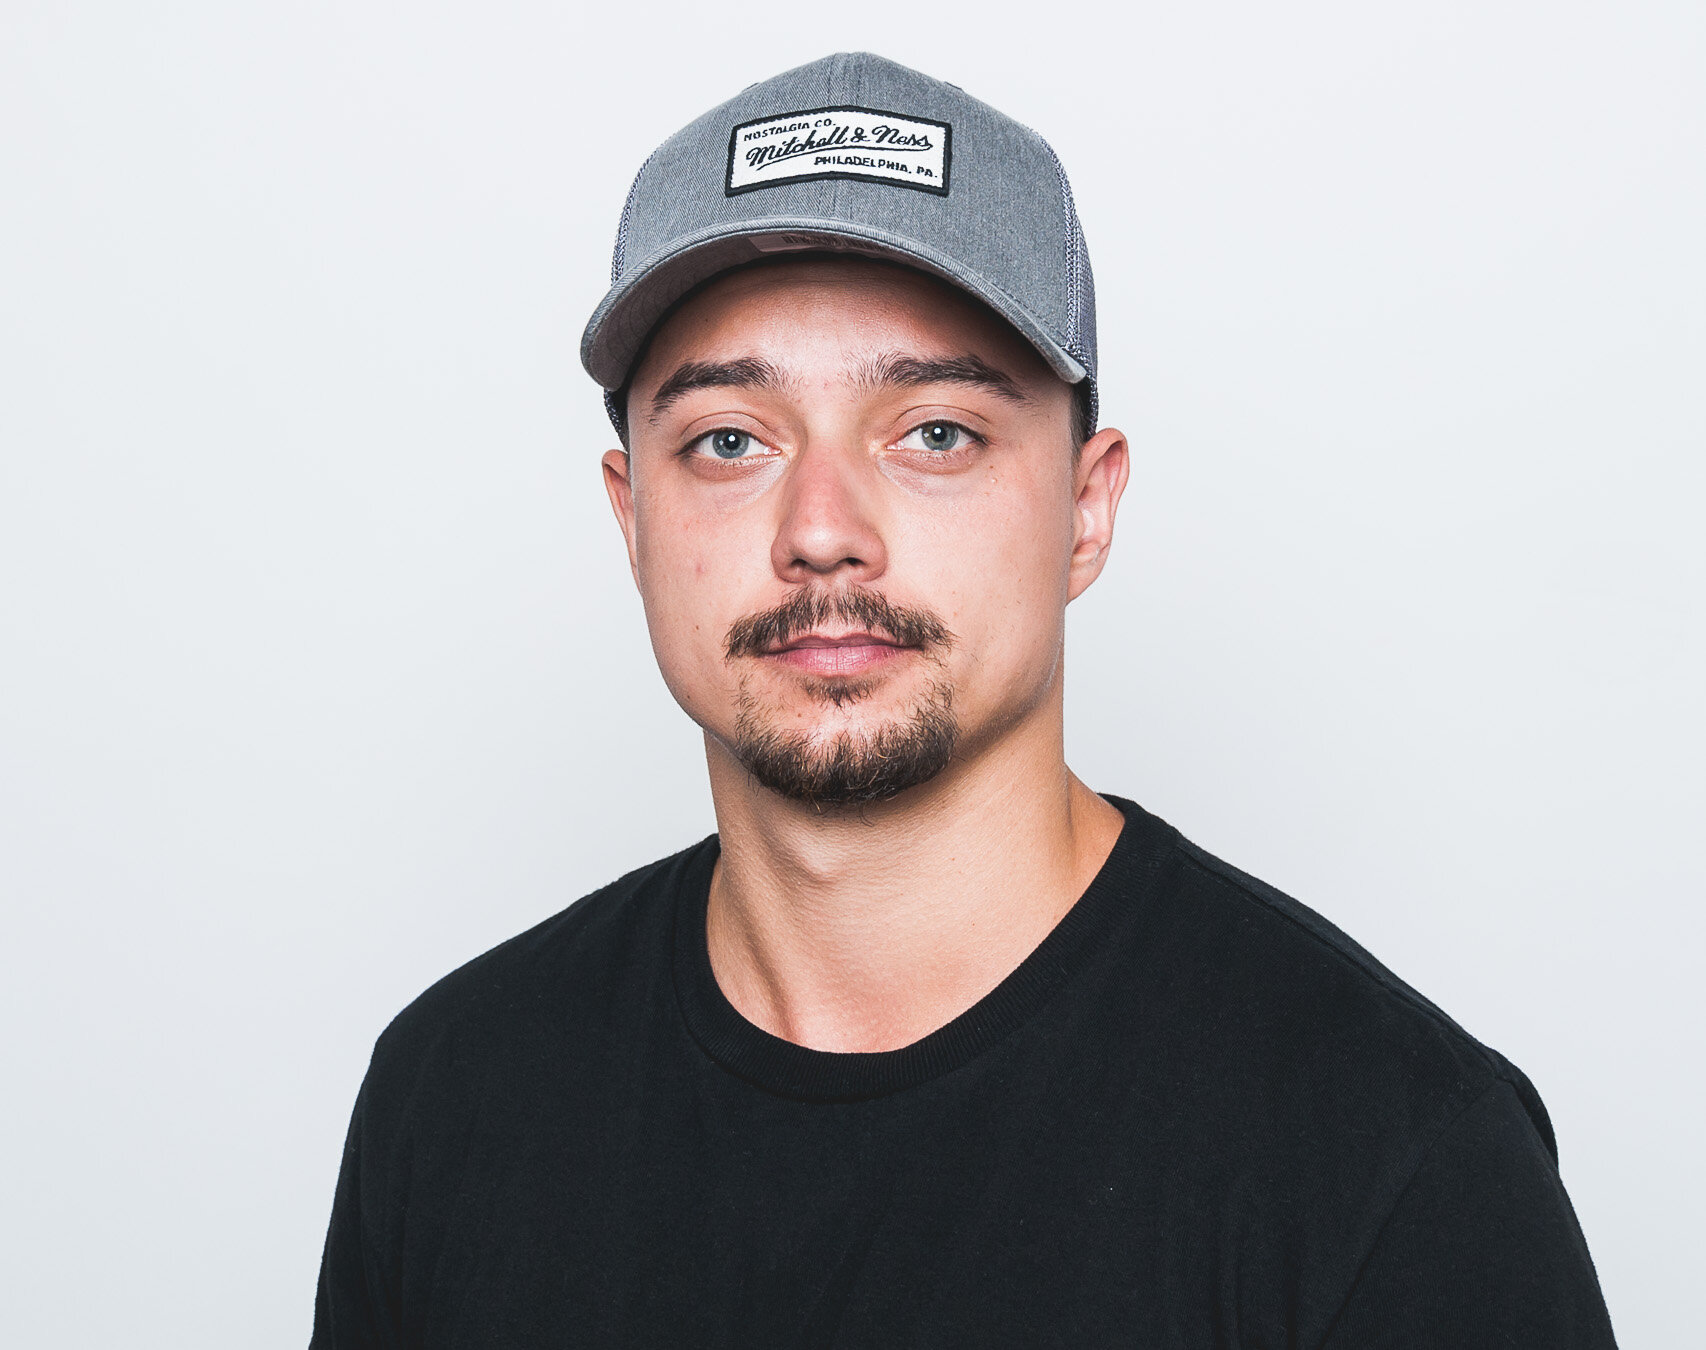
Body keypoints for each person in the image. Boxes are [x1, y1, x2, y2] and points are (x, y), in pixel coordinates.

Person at [311, 52, 1617, 1347]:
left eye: (936, 432)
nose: (822, 532)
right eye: (728, 440)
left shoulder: (1391, 1159)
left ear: (1085, 509)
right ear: (632, 516)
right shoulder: (453, 1096)